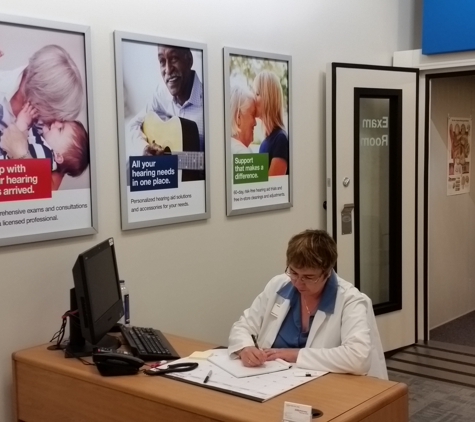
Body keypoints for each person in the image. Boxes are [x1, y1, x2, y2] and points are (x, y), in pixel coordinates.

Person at [228, 229, 387, 379]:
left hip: (326, 387)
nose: (298, 282)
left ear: (327, 272)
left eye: (309, 277)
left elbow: (357, 358)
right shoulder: (278, 285)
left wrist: (293, 355)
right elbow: (244, 326)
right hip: (272, 380)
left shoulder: (350, 300)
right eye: (294, 272)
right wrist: (245, 348)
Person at [127, 44, 204, 158]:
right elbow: (133, 126)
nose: (168, 70)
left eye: (174, 59)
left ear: (189, 60)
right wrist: (145, 148)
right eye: (162, 61)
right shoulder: (161, 95)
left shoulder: (211, 104)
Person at [0, 102, 89, 179]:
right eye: (62, 122)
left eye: (60, 129)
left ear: (58, 156)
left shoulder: (45, 157)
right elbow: (38, 131)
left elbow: (17, 140)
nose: (57, 123)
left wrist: (23, 122)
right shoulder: (46, 144)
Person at [253, 70, 289, 176]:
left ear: (268, 98)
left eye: (257, 93)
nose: (253, 98)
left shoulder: (280, 139)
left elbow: (272, 189)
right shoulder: (266, 142)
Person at [230, 84, 256, 154]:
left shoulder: (227, 146)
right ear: (238, 117)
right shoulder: (243, 153)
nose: (255, 123)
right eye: (253, 115)